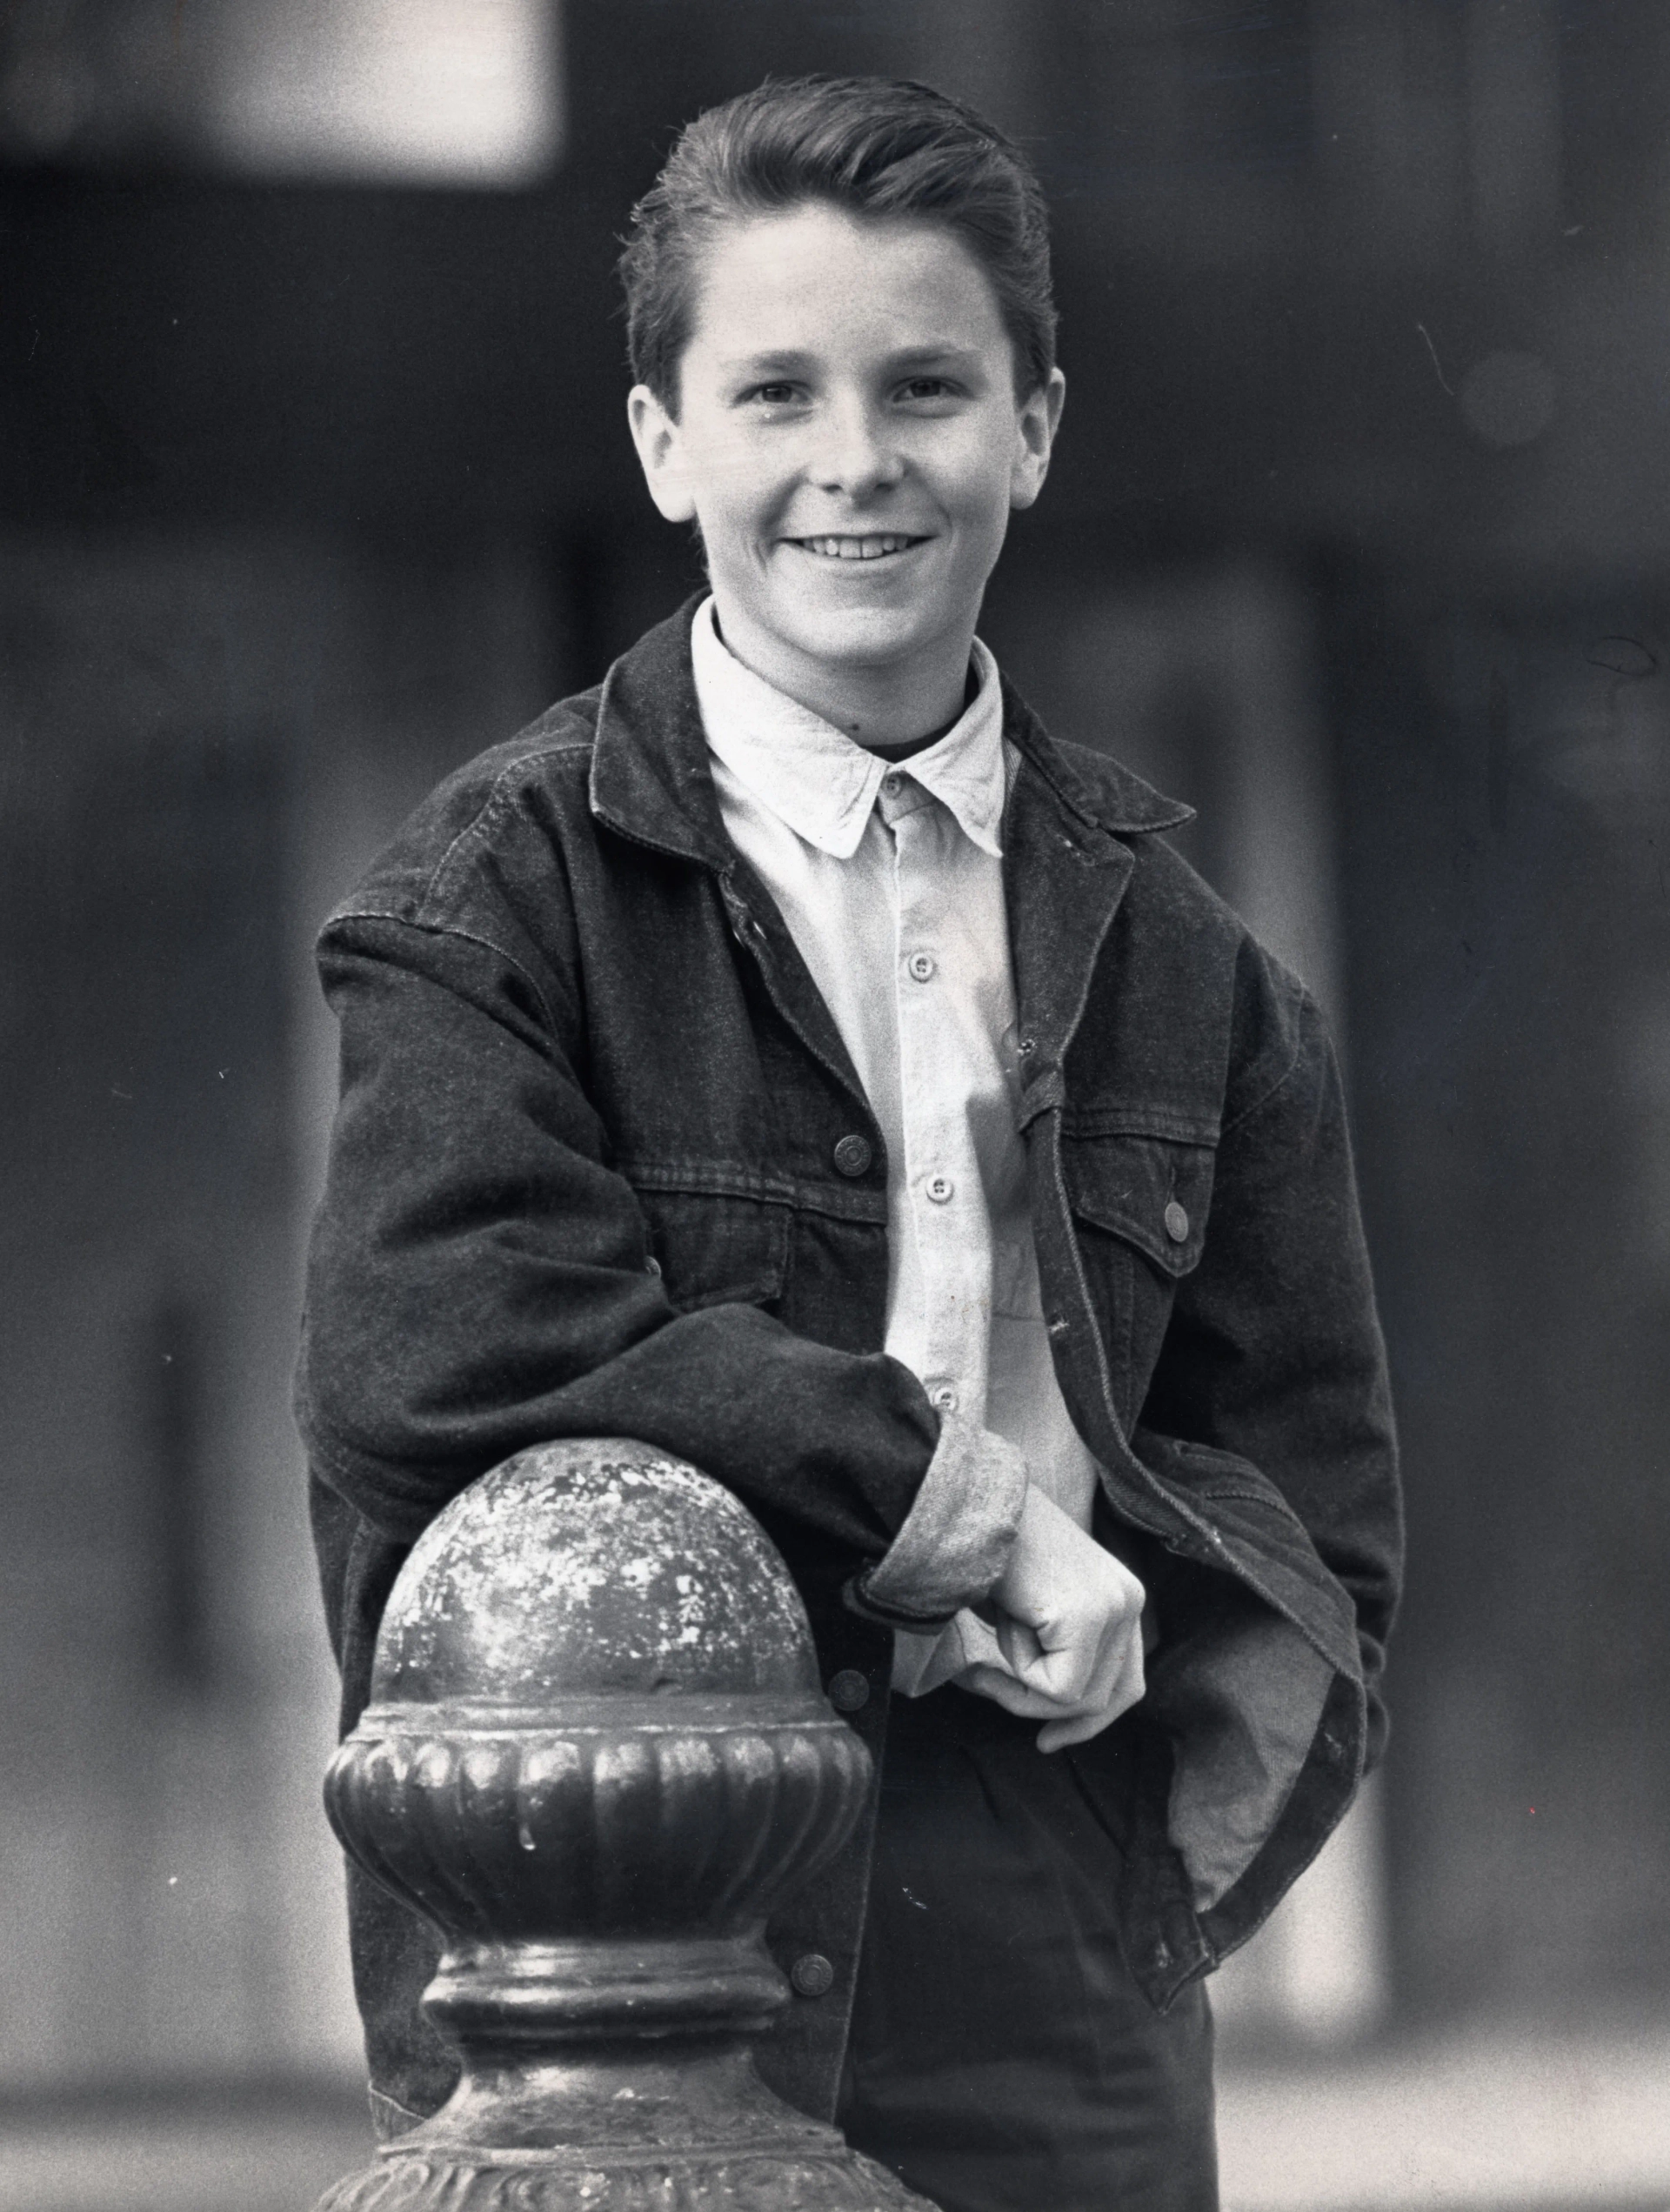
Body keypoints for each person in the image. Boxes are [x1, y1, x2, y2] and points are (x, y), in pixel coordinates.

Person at [297, 73, 1402, 2212]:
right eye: (775, 389)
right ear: (663, 440)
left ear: (1037, 428)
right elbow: (436, 1341)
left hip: (1050, 1910)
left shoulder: (1202, 969)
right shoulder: (489, 896)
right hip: (627, 1918)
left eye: (925, 387)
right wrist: (964, 1513)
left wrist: (1135, 1854)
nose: (855, 462)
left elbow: (1316, 1485)